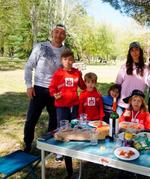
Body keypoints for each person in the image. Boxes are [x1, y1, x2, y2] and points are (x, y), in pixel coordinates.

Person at [23, 24, 66, 152]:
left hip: (56, 91)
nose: (59, 35)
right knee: (31, 119)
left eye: (62, 33)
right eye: (56, 32)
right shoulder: (40, 46)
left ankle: (49, 144)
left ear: (65, 36)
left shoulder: (66, 51)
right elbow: (29, 66)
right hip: (39, 88)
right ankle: (27, 145)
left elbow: (66, 72)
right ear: (52, 33)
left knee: (54, 119)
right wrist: (29, 85)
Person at [49, 49, 86, 178]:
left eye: (70, 59)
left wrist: (82, 77)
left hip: (74, 106)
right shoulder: (58, 73)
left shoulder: (76, 73)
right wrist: (55, 94)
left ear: (73, 61)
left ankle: (75, 149)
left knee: (75, 128)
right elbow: (52, 88)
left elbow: (83, 87)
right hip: (61, 106)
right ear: (61, 61)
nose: (68, 62)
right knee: (62, 129)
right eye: (65, 59)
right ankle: (61, 153)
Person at [115, 42, 148, 113]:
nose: (134, 52)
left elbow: (149, 83)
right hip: (122, 104)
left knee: (135, 124)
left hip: (136, 105)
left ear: (140, 51)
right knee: (118, 124)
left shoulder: (145, 68)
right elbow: (118, 84)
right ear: (129, 52)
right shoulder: (124, 67)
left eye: (136, 49)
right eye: (132, 50)